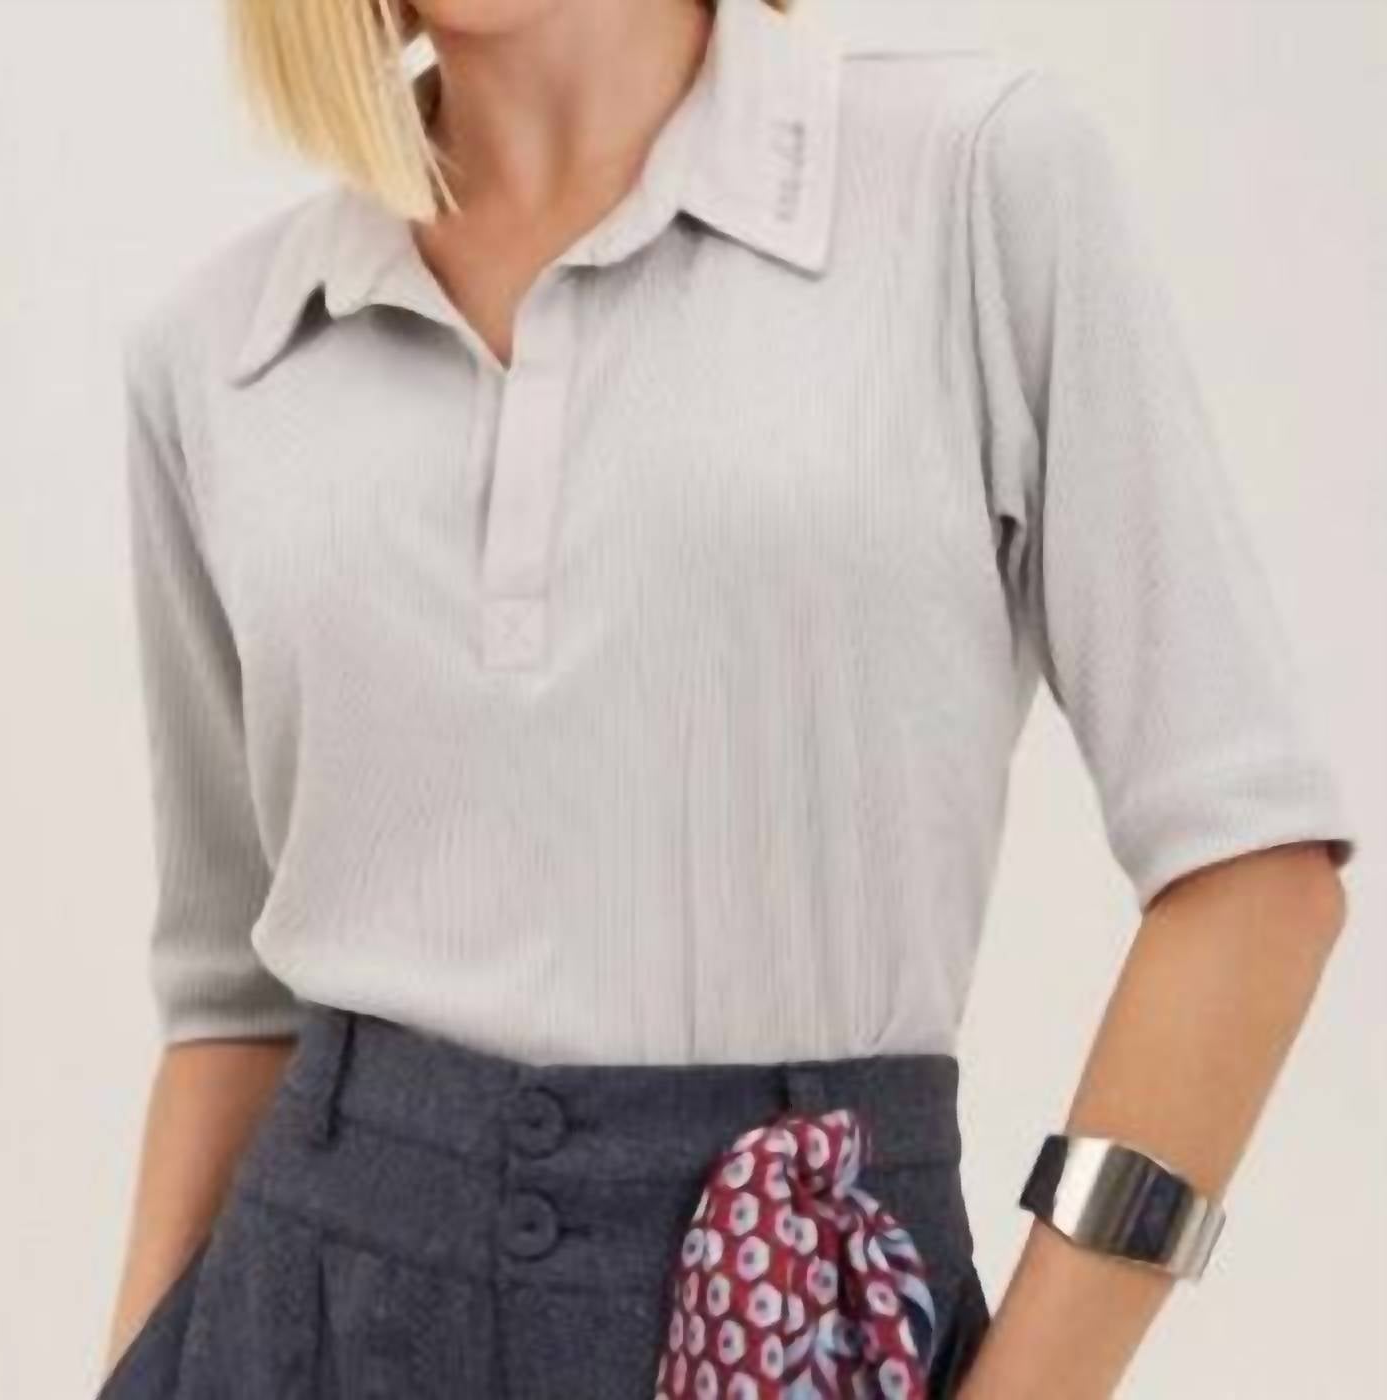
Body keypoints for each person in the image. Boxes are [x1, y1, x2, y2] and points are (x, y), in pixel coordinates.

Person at [97, 0, 1358, 1395]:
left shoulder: (969, 187)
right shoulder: (221, 356)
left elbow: (1255, 878)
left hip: (799, 1318)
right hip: (295, 1325)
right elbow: (232, 1010)